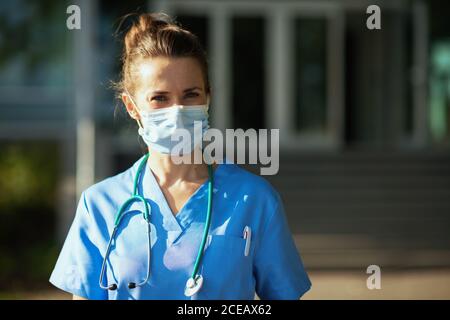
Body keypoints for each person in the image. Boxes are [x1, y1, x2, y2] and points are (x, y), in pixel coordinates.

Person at [49, 12, 311, 300]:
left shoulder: (254, 200)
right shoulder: (99, 205)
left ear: (208, 98)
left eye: (191, 95)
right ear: (132, 107)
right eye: (159, 98)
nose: (177, 111)